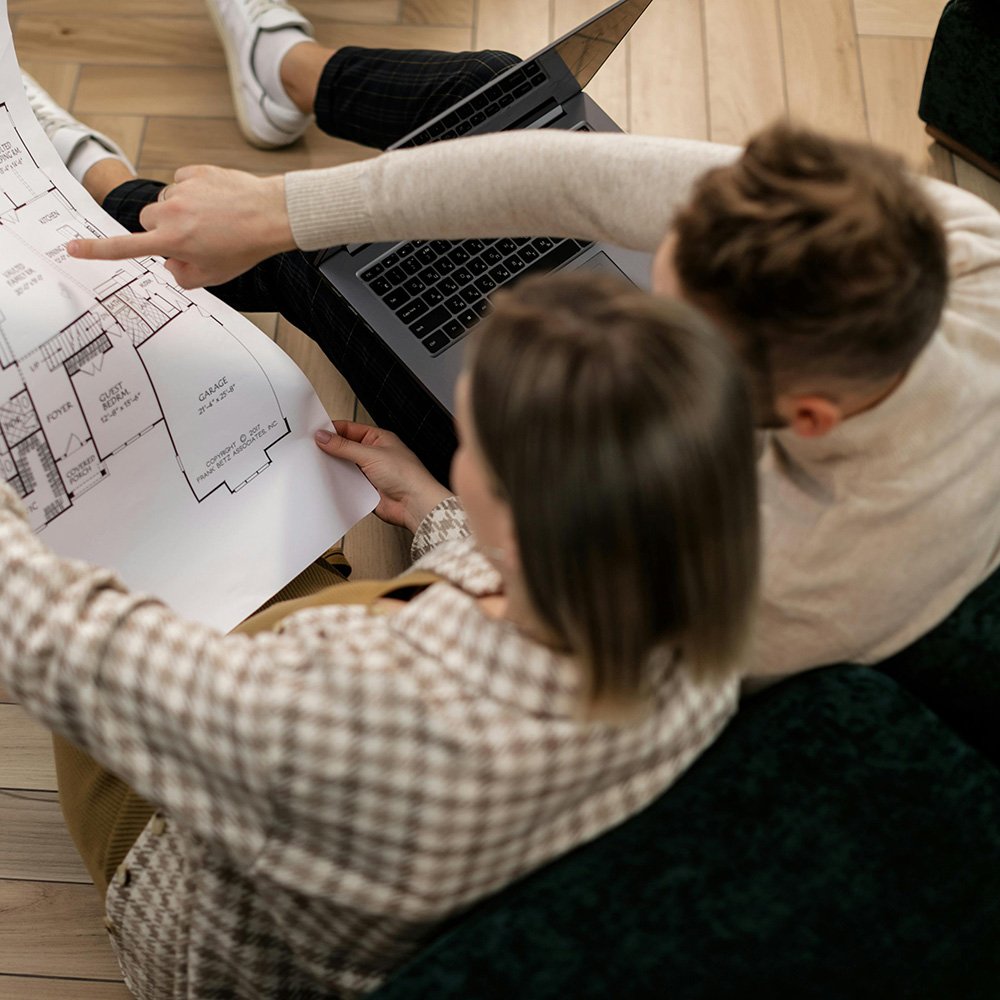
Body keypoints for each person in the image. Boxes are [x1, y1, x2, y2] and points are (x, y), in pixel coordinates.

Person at [29, 0, 1000, 682]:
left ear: (804, 415)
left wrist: (450, 511)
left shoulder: (753, 571)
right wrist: (275, 204)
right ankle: (285, 71)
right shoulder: (959, 243)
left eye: (676, 326)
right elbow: (570, 175)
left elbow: (522, 618)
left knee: (333, 269)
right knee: (506, 93)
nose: (621, 295)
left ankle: (94, 187)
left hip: (593, 499)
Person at [0, 272, 759, 998]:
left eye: (475, 459)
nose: (459, 465)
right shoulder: (708, 644)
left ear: (524, 531)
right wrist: (441, 512)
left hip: (211, 936)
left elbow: (50, 633)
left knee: (108, 567)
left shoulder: (342, 704)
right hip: (386, 890)